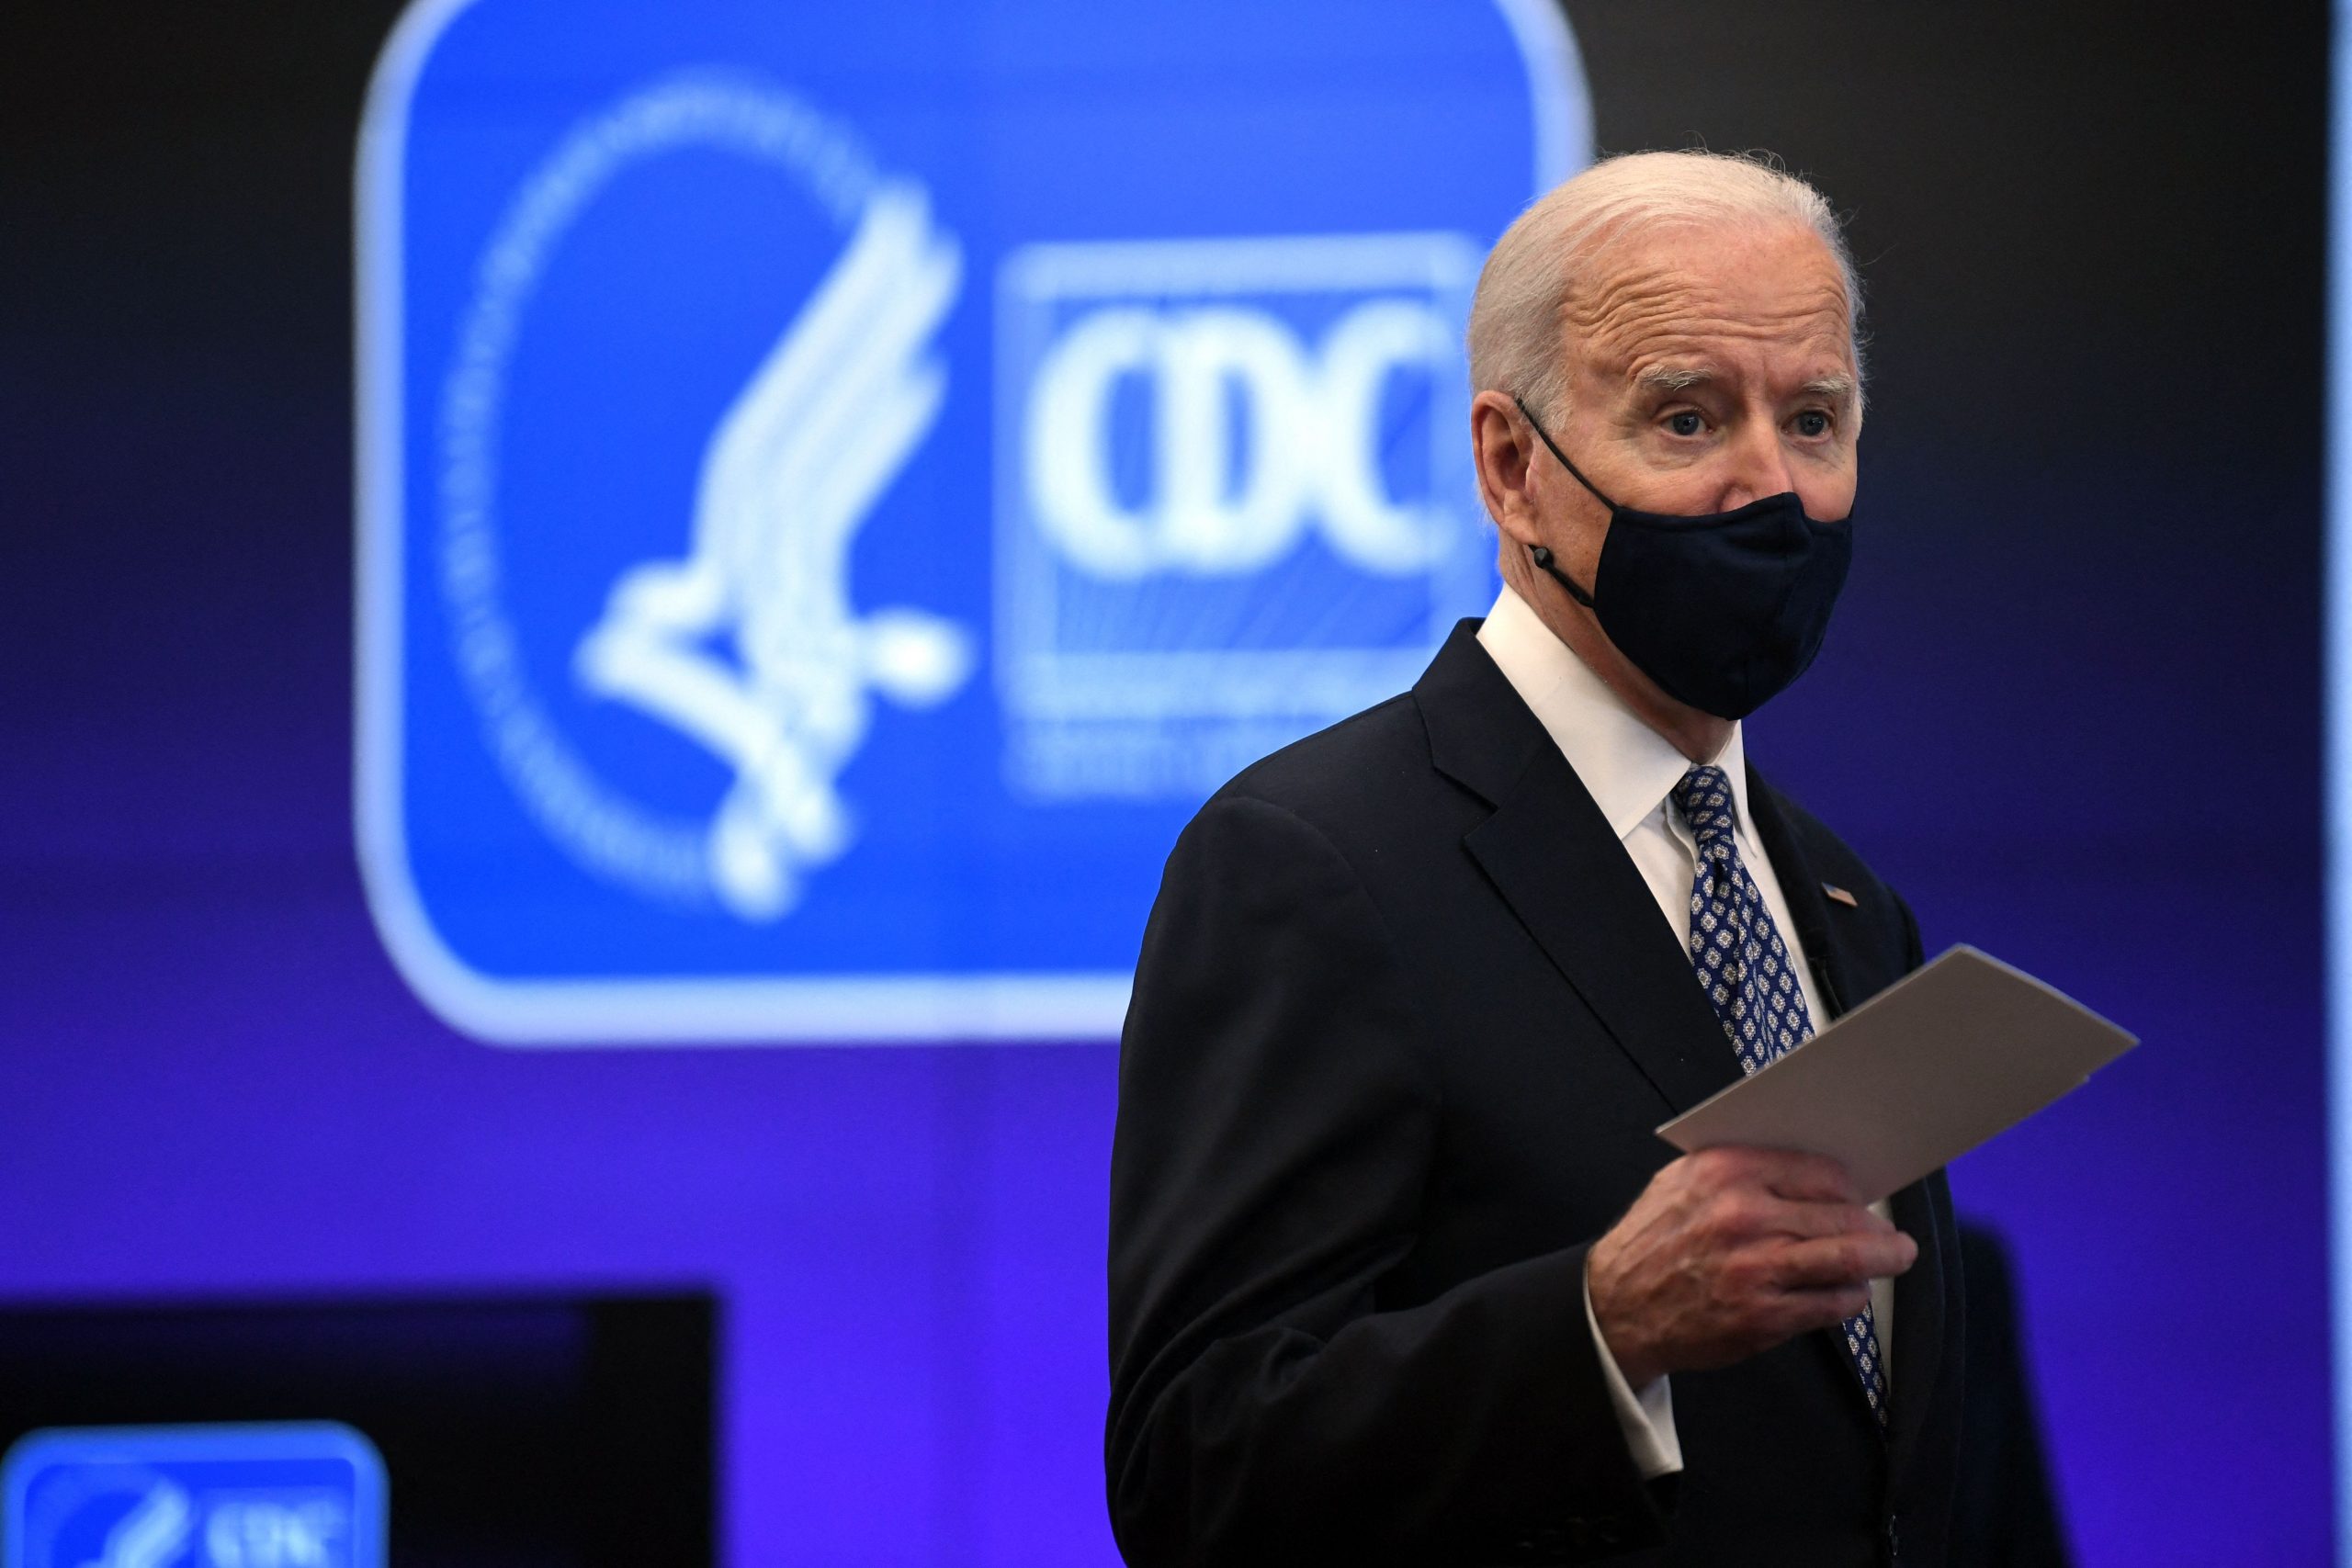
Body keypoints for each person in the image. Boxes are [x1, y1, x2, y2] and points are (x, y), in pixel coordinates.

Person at [1105, 151, 1965, 1566]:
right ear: (1514, 467)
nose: (1772, 487)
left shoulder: (1848, 903)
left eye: (1814, 421)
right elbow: (1196, 1466)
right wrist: (1599, 1328)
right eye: (1688, 420)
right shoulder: (1309, 864)